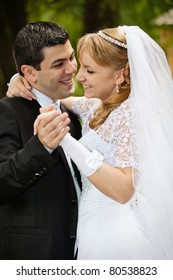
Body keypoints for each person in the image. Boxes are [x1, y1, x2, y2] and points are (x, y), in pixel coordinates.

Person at [7, 26, 173, 259]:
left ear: (120, 75)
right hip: (86, 229)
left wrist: (64, 140)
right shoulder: (95, 106)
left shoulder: (132, 113)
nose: (78, 75)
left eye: (89, 70)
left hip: (115, 233)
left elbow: (124, 190)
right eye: (81, 66)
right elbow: (60, 99)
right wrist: (20, 80)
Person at [0, 21, 82, 260]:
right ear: (29, 73)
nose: (71, 69)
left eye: (71, 57)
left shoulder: (74, 115)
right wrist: (41, 146)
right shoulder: (7, 111)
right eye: (58, 64)